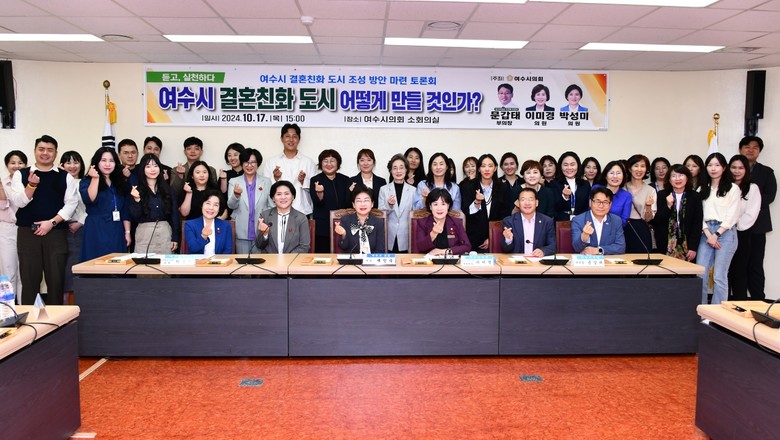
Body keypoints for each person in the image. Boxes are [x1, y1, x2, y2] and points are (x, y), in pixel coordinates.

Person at [7, 135, 78, 305]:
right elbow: (19, 202)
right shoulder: (21, 174)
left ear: (55, 153)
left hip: (56, 233)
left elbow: (71, 204)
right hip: (28, 233)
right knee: (29, 280)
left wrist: (51, 223)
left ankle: (57, 319)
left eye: (49, 150)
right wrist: (31, 186)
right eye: (41, 149)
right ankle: (30, 318)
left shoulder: (65, 176)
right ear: (35, 151)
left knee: (56, 280)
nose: (45, 153)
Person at [697, 152, 741, 305]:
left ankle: (717, 313)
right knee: (701, 273)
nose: (713, 168)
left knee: (719, 276)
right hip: (706, 232)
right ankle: (702, 311)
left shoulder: (733, 188)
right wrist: (708, 234)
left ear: (724, 167)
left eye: (717, 165)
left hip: (725, 232)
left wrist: (716, 234)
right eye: (710, 165)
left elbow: (733, 215)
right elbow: (699, 214)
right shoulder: (702, 188)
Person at [737, 135, 776, 300]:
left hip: (758, 226)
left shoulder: (766, 172)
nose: (750, 150)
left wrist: (751, 206)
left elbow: (770, 195)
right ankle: (738, 298)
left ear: (759, 151)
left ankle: (758, 299)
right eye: (747, 146)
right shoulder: (733, 170)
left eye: (755, 147)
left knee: (755, 264)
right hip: (736, 225)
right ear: (740, 149)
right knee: (738, 264)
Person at [79, 147, 131, 262]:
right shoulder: (87, 180)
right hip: (95, 228)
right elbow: (89, 199)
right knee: (95, 264)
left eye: (111, 161)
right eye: (103, 160)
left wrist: (127, 232)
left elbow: (125, 210)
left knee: (117, 264)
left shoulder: (119, 182)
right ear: (97, 162)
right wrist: (95, 178)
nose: (108, 164)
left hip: (116, 228)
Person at [129, 153, 180, 255]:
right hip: (144, 233)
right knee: (143, 263)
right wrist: (137, 200)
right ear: (143, 169)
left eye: (155, 166)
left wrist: (175, 237)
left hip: (165, 231)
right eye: (148, 166)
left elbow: (174, 215)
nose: (152, 169)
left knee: (165, 263)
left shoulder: (168, 189)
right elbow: (135, 217)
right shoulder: (136, 190)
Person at [262, 123, 317, 216]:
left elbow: (315, 189)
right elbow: (265, 188)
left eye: (294, 136)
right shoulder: (271, 162)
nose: (291, 140)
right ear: (281, 139)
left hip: (302, 211)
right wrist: (275, 178)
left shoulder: (308, 162)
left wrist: (303, 181)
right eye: (287, 136)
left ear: (299, 139)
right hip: (277, 212)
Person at [727, 154, 761, 300]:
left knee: (739, 270)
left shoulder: (752, 188)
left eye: (741, 168)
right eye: (733, 167)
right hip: (723, 233)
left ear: (746, 170)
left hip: (741, 232)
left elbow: (751, 214)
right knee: (724, 271)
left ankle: (739, 303)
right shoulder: (724, 187)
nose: (737, 171)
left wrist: (734, 225)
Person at [462, 154, 512, 252]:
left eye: (490, 166)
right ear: (479, 169)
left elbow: (506, 215)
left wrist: (492, 237)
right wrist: (477, 202)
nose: (487, 169)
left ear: (495, 168)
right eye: (483, 166)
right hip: (473, 238)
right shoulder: (468, 186)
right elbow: (466, 212)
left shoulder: (503, 187)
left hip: (496, 237)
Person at [652, 165, 702, 262]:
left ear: (687, 177)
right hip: (665, 243)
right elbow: (657, 221)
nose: (677, 179)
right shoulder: (661, 195)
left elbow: (697, 223)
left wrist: (693, 247)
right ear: (669, 180)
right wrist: (668, 206)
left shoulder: (695, 196)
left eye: (681, 175)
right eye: (674, 176)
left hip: (687, 244)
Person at [227, 148, 272, 254]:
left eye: (253, 162)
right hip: (241, 231)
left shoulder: (266, 181)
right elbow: (231, 206)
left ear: (258, 164)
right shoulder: (234, 181)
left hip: (261, 230)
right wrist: (236, 195)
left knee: (260, 262)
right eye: (246, 162)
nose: (249, 165)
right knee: (242, 262)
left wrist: (267, 225)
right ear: (242, 163)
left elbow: (271, 205)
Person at [310, 149, 350, 253]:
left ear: (338, 163)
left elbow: (348, 204)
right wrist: (320, 193)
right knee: (323, 258)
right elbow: (317, 203)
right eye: (325, 161)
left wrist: (351, 193)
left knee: (342, 255)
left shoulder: (345, 179)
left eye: (332, 161)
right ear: (320, 164)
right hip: (322, 228)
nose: (329, 164)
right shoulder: (315, 180)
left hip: (343, 226)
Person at [59, 151, 86, 303]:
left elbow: (91, 207)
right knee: (60, 268)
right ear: (61, 165)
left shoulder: (85, 182)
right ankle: (62, 304)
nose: (72, 166)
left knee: (74, 267)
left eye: (76, 162)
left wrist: (80, 222)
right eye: (68, 162)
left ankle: (74, 303)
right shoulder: (58, 182)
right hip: (59, 229)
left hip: (79, 230)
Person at [255, 180, 310, 254]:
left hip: (293, 260)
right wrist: (265, 234)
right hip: (270, 260)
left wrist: (286, 258)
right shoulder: (265, 216)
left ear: (293, 197)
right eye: (279, 194)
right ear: (273, 198)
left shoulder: (301, 218)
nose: (283, 197)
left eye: (286, 194)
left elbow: (304, 247)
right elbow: (259, 246)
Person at [0, 150, 27, 298]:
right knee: (8, 271)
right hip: (7, 229)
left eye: (20, 163)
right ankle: (7, 307)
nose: (16, 166)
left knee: (25, 273)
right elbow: (3, 206)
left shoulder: (30, 183)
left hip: (25, 229)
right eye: (12, 163)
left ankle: (24, 306)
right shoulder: (2, 183)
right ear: (7, 165)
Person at [414, 188, 471, 255]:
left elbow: (467, 246)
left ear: (448, 206)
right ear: (430, 206)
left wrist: (444, 251)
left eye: (443, 204)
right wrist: (433, 233)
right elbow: (420, 248)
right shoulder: (422, 223)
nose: (439, 208)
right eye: (435, 204)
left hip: (450, 261)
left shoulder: (456, 222)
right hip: (429, 260)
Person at [501, 187, 556, 256]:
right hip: (517, 261)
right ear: (518, 203)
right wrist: (508, 240)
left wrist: (543, 251)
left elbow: (552, 246)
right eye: (523, 200)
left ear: (536, 203)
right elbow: (505, 249)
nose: (527, 203)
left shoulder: (547, 221)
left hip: (538, 260)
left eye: (531, 199)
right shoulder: (509, 221)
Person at [378, 154, 416, 253]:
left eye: (401, 167)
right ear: (390, 170)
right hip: (389, 234)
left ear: (406, 169)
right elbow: (380, 214)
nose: (398, 171)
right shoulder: (384, 189)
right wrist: (389, 206)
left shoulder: (413, 190)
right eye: (395, 168)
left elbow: (415, 214)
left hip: (406, 235)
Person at [571, 187, 625, 255]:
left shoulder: (616, 220)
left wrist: (599, 250)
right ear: (590, 202)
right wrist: (584, 236)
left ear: (610, 204)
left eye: (605, 202)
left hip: (608, 260)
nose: (601, 206)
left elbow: (621, 247)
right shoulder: (578, 220)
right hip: (586, 260)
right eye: (597, 201)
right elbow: (576, 248)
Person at [334, 185, 385, 253]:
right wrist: (344, 234)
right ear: (354, 205)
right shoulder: (345, 220)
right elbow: (343, 247)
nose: (362, 204)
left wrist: (368, 259)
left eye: (366, 200)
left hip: (371, 259)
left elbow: (380, 249)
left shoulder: (378, 223)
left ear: (372, 204)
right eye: (359, 201)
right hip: (351, 259)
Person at [623, 154, 656, 253]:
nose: (639, 169)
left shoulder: (650, 190)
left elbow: (648, 218)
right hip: (623, 227)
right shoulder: (622, 188)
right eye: (636, 166)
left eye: (642, 166)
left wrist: (648, 206)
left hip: (641, 228)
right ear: (630, 169)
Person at [183, 190, 232, 256]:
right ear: (202, 205)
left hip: (218, 262)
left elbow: (228, 251)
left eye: (216, 205)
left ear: (219, 209)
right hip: (197, 262)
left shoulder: (225, 226)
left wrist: (217, 262)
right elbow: (193, 248)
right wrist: (203, 237)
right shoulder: (190, 225)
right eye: (208, 203)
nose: (211, 208)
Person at [549, 151, 590, 221]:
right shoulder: (554, 184)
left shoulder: (585, 184)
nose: (569, 168)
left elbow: (587, 207)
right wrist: (564, 197)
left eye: (572, 164)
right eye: (565, 165)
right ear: (560, 167)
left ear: (578, 166)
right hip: (561, 222)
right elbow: (553, 207)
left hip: (581, 221)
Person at [593, 161, 631, 226]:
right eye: (611, 173)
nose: (615, 176)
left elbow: (624, 221)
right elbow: (590, 211)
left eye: (618, 173)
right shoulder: (596, 188)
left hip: (615, 230)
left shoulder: (626, 196)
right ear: (605, 176)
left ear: (623, 176)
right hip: (594, 227)